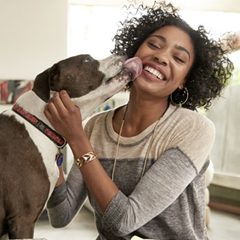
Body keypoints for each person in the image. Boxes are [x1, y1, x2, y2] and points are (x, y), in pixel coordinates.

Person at [44, 2, 233, 240]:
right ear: (135, 54)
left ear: (185, 80)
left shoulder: (193, 128)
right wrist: (51, 144)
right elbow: (61, 216)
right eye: (154, 45)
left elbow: (125, 221)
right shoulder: (95, 127)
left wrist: (76, 137)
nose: (161, 56)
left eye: (178, 58)